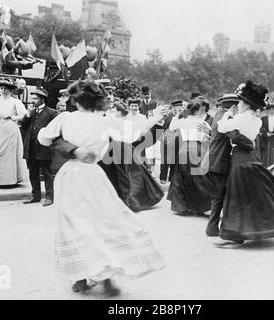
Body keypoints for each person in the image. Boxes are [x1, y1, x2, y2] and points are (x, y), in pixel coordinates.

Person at [37, 80, 167, 296]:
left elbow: (44, 138)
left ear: (75, 100)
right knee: (103, 222)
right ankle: (105, 277)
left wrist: (69, 146)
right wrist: (156, 117)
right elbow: (133, 132)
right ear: (97, 101)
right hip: (93, 175)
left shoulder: (65, 118)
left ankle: (80, 278)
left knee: (73, 224)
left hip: (68, 176)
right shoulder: (105, 122)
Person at [216, 81, 274, 244]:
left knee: (237, 195)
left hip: (240, 158)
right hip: (251, 157)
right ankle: (250, 230)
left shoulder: (241, 117)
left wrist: (226, 115)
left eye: (240, 102)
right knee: (251, 194)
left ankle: (235, 234)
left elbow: (222, 128)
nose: (238, 105)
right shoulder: (257, 120)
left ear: (246, 104)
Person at [205, 94, 255, 237]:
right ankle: (220, 229)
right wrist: (251, 143)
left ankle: (213, 228)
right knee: (222, 197)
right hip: (221, 162)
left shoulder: (217, 115)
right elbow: (236, 136)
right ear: (232, 107)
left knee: (218, 197)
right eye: (237, 107)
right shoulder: (226, 117)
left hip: (215, 160)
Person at [167, 98, 213, 216]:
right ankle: (198, 207)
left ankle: (182, 206)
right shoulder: (203, 122)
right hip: (197, 149)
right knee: (197, 178)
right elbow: (208, 136)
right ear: (198, 111)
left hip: (184, 149)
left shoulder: (183, 121)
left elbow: (171, 127)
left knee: (182, 177)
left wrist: (177, 115)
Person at [0, 77, 27, 187]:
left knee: (9, 155)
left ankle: (9, 181)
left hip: (10, 128)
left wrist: (13, 117)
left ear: (10, 90)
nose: (3, 91)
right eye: (1, 88)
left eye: (6, 88)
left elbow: (24, 115)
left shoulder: (15, 101)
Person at [21, 87, 59, 206]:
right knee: (33, 173)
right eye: (32, 98)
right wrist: (27, 115)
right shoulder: (31, 111)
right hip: (31, 146)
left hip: (44, 147)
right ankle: (35, 196)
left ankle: (49, 197)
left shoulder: (52, 113)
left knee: (47, 173)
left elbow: (55, 130)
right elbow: (23, 127)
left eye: (35, 98)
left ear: (42, 99)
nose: (33, 101)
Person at [159, 100, 183, 184]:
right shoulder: (167, 116)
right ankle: (163, 177)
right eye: (177, 108)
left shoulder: (182, 117)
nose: (178, 110)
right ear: (172, 107)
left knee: (175, 160)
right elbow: (160, 128)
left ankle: (171, 178)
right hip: (166, 141)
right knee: (165, 160)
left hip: (178, 141)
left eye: (180, 108)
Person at [260, 101, 274, 167]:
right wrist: (266, 133)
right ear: (268, 111)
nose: (271, 111)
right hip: (266, 139)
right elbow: (261, 127)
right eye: (270, 110)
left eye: (273, 110)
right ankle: (265, 167)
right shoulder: (264, 119)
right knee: (266, 154)